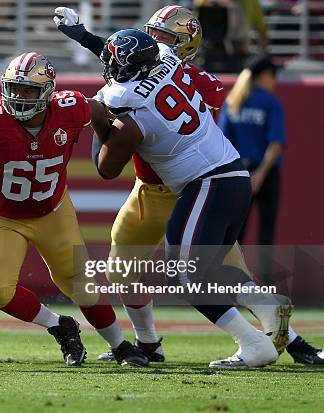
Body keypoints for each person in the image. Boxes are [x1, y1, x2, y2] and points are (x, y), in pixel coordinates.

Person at [54, 5, 322, 366]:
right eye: (153, 33)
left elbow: (110, 154)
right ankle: (148, 342)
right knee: (125, 270)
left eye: (164, 36)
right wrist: (84, 36)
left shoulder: (139, 92)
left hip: (193, 185)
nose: (156, 40)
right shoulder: (164, 59)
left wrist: (100, 111)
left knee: (204, 272)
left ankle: (290, 343)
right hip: (160, 188)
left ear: (185, 44)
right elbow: (122, 53)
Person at [0, 52, 149, 367]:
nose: (19, 96)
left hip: (51, 209)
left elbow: (100, 114)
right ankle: (58, 325)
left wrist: (104, 146)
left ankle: (120, 346)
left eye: (28, 90)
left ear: (47, 92)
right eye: (14, 88)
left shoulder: (71, 108)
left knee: (81, 284)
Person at [219, 57, 283, 277]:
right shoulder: (271, 103)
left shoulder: (233, 101)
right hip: (267, 173)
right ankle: (265, 285)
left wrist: (244, 174)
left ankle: (233, 283)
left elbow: (224, 142)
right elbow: (275, 143)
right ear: (263, 76)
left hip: (238, 173)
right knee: (266, 232)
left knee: (236, 233)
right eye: (273, 75)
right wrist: (261, 174)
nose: (275, 80)